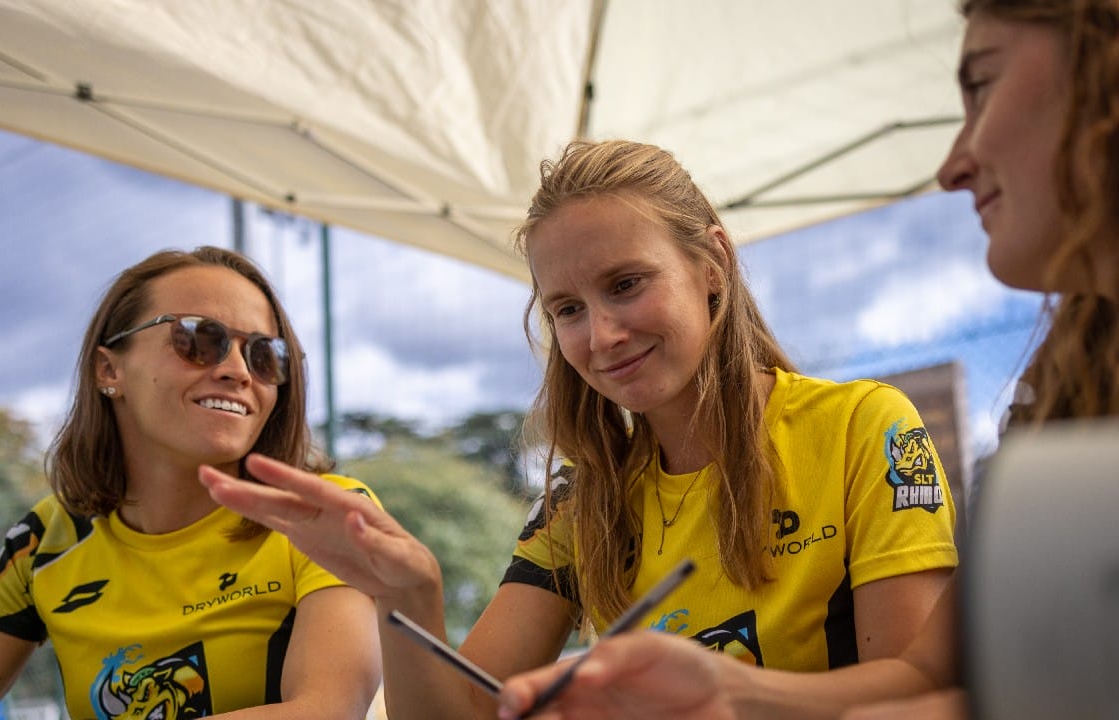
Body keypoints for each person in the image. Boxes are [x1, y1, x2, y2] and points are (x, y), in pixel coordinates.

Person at [494, 0, 1119, 718]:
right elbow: (938, 685)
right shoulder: (1067, 386)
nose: (953, 166)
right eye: (565, 310)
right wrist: (727, 689)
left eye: (981, 86)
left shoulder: (860, 425)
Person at [198, 139, 960, 720]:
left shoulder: (864, 426)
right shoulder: (582, 500)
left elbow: (914, 695)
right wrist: (406, 595)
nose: (602, 335)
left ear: (712, 266)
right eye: (566, 309)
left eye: (626, 285)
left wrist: (728, 689)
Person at [0, 247, 382, 719]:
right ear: (110, 369)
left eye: (265, 355)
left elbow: (328, 710)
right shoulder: (45, 539)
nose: (236, 370)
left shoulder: (327, 512)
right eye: (197, 339)